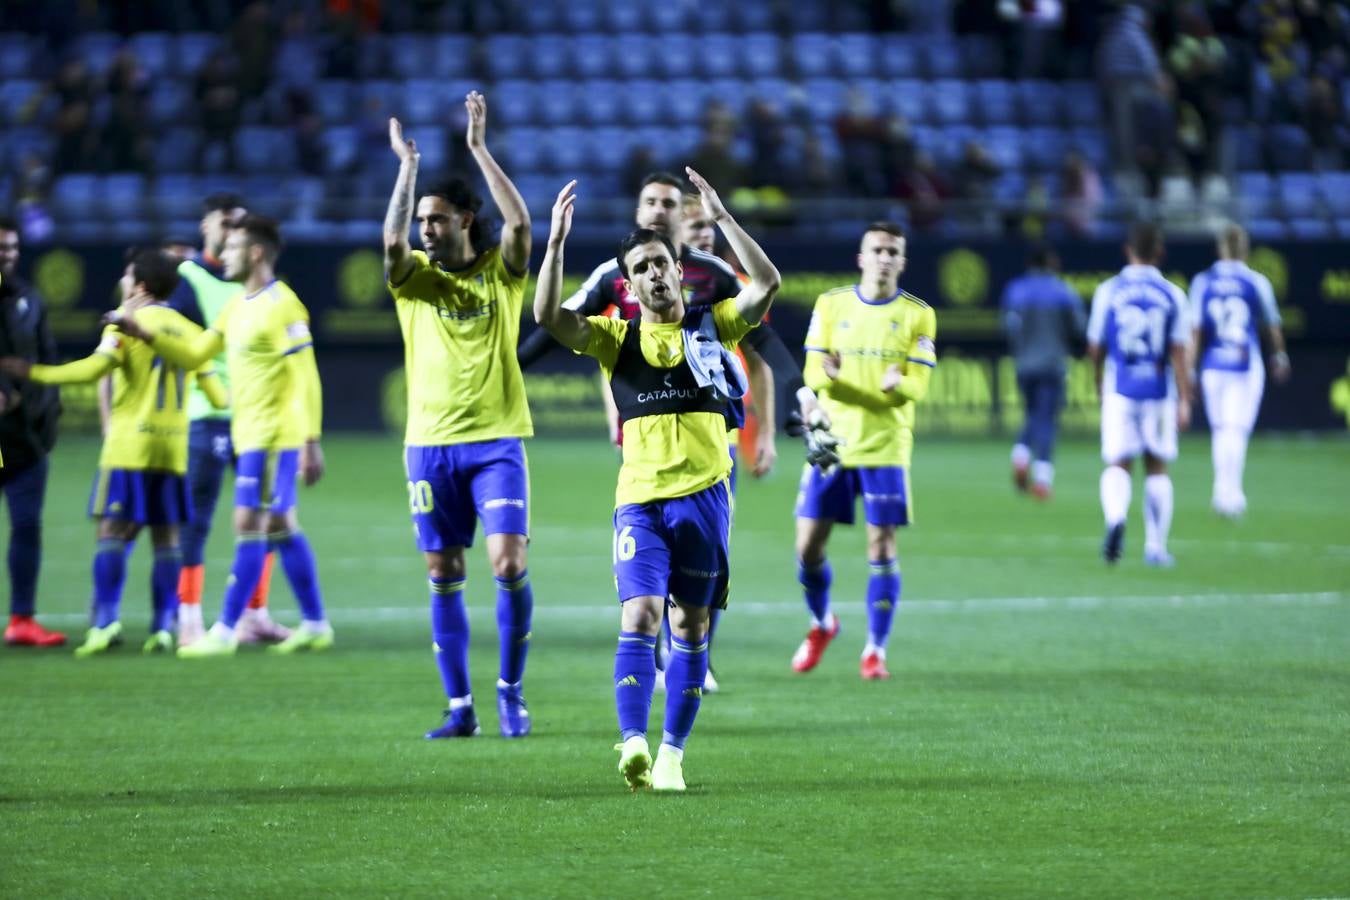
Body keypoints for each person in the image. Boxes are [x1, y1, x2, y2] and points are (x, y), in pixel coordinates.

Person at [533, 169, 780, 792]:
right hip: (639, 503)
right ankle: (635, 743)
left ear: (678, 267)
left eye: (661, 263)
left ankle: (673, 753)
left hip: (704, 499)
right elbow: (547, 317)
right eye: (640, 268)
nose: (653, 274)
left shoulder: (713, 324)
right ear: (629, 282)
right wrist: (556, 244)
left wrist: (722, 217)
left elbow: (767, 285)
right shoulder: (616, 340)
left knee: (690, 628)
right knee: (640, 615)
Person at [384, 92, 536, 740]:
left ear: (467, 220)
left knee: (507, 564)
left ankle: (510, 692)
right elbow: (391, 240)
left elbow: (524, 228)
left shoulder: (501, 275)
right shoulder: (415, 280)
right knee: (444, 572)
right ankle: (460, 707)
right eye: (424, 220)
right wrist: (407, 170)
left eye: (438, 220)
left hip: (496, 442)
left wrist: (478, 148)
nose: (426, 230)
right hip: (429, 447)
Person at [110, 215, 333, 656]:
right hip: (246, 432)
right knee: (280, 524)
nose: (222, 256)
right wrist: (144, 333)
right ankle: (315, 623)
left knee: (248, 524)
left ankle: (226, 630)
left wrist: (310, 440)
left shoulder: (284, 304)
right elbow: (195, 353)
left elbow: (307, 377)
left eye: (231, 249)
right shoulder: (236, 304)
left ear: (254, 253)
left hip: (275, 436)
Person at [0, 248, 227, 655]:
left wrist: (32, 372)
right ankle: (162, 627)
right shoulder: (190, 329)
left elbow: (92, 370)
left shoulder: (124, 322)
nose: (123, 280)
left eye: (127, 275)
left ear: (140, 284)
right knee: (167, 538)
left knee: (111, 533)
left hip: (130, 446)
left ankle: (105, 622)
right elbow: (217, 393)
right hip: (172, 447)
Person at [791, 222, 937, 682]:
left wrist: (849, 383)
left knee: (882, 544)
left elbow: (914, 388)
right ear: (861, 257)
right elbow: (814, 373)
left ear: (903, 261)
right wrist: (872, 387)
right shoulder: (832, 304)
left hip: (885, 446)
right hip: (832, 445)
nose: (885, 258)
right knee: (808, 546)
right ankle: (823, 623)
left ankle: (875, 649)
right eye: (877, 249)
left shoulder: (919, 314)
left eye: (893, 251)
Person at [166, 193, 289, 647]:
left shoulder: (249, 282)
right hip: (208, 415)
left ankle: (255, 613)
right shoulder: (188, 278)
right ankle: (189, 615)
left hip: (255, 418)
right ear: (206, 226)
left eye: (240, 226)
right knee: (195, 520)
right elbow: (176, 336)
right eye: (226, 223)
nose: (233, 232)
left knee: (269, 517)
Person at [1088, 222, 1192, 567]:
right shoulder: (1173, 294)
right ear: (1159, 253)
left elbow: (1095, 345)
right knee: (1157, 466)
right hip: (1159, 390)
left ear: (1127, 250)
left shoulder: (1108, 290)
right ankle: (1156, 547)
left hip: (1121, 387)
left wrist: (1097, 380)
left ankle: (1116, 517)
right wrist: (1186, 399)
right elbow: (1178, 351)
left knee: (1118, 461)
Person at [1189, 224, 1290, 518]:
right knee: (1236, 430)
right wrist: (1280, 356)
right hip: (1245, 364)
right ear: (1245, 249)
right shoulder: (1256, 281)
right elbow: (1272, 324)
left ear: (1220, 249)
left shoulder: (1203, 282)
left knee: (1221, 430)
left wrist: (1191, 370)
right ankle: (1231, 493)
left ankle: (1222, 491)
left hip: (1213, 364)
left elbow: (1195, 332)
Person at [0, 216, 66, 647]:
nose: (7, 256)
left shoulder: (28, 298)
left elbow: (46, 358)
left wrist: (49, 412)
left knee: (27, 525)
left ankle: (22, 619)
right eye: (1, 248)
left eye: (12, 248)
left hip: (26, 440)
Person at [1001, 243, 1086, 499]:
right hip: (1052, 364)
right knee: (1046, 419)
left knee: (1032, 414)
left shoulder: (1015, 290)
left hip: (1024, 364)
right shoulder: (1063, 292)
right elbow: (1079, 329)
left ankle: (1021, 454)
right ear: (1051, 263)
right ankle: (1042, 478)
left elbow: (1008, 328)